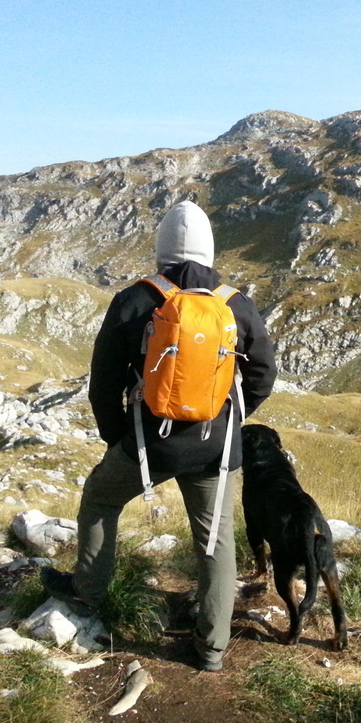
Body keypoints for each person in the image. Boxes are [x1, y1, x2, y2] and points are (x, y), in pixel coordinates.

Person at [42, 200, 277, 672]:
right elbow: (263, 373)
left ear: (161, 250)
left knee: (101, 499)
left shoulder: (136, 299)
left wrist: (117, 439)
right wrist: (231, 417)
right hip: (216, 444)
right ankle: (212, 647)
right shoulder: (235, 303)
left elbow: (103, 382)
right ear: (209, 250)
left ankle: (88, 595)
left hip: (149, 443)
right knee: (215, 540)